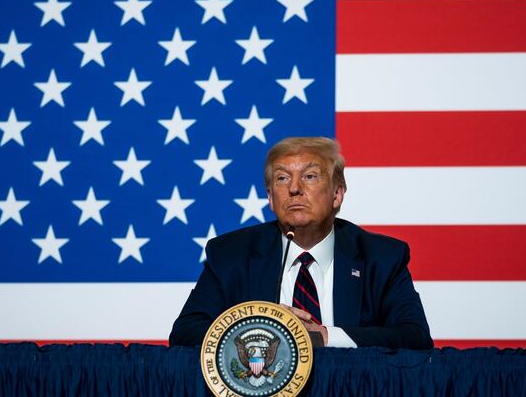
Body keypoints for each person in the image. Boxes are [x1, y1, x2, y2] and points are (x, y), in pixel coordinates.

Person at [169, 137, 433, 349]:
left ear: (337, 194)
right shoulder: (231, 254)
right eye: (282, 178)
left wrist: (324, 337)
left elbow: (414, 337)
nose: (294, 188)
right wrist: (260, 327)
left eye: (309, 176)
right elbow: (186, 332)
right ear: (271, 198)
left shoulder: (382, 257)